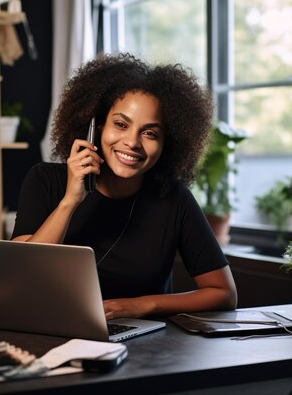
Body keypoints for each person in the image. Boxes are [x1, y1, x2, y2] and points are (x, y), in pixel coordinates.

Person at [12, 53, 237, 320]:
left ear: (168, 144)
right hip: (49, 331)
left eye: (150, 133)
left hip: (143, 345)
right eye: (120, 124)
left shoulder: (175, 200)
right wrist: (70, 201)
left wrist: (142, 305)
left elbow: (224, 293)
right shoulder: (45, 180)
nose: (132, 142)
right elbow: (24, 275)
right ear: (95, 127)